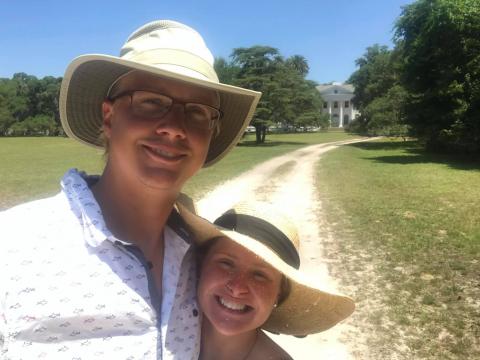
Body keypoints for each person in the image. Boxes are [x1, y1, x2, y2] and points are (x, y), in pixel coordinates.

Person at [0, 20, 260, 359]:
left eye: (197, 111)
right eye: (151, 102)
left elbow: (241, 339)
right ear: (109, 117)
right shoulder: (14, 246)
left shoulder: (203, 261)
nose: (174, 128)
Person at [180, 202, 355, 360]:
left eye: (259, 275)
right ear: (202, 264)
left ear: (279, 295)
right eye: (226, 263)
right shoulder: (159, 330)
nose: (237, 288)